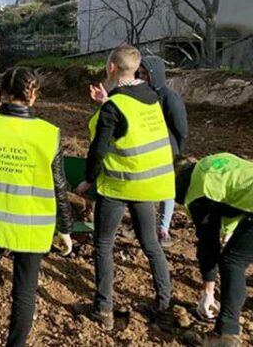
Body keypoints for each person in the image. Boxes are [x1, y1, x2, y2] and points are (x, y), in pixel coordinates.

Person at [0, 67, 73, 347]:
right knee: (24, 293)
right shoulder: (49, 134)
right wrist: (65, 227)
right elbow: (59, 185)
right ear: (33, 96)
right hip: (33, 228)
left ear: (2, 94)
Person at [76, 45, 174, 331]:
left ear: (111, 68)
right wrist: (107, 102)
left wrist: (88, 179)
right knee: (151, 244)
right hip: (149, 187)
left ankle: (103, 309)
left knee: (103, 244)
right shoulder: (151, 98)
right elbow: (130, 126)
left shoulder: (114, 107)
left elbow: (98, 150)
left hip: (119, 186)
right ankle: (164, 307)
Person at [174, 154, 252, 347]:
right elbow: (236, 197)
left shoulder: (196, 193)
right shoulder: (215, 162)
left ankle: (226, 333)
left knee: (233, 262)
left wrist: (208, 293)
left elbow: (209, 245)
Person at [137, 55, 188, 247]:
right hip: (144, 149)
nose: (141, 78)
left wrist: (178, 153)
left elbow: (181, 128)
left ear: (154, 75)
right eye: (139, 73)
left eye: (145, 74)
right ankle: (144, 226)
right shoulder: (140, 95)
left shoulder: (169, 96)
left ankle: (163, 229)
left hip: (167, 150)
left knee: (167, 189)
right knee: (146, 188)